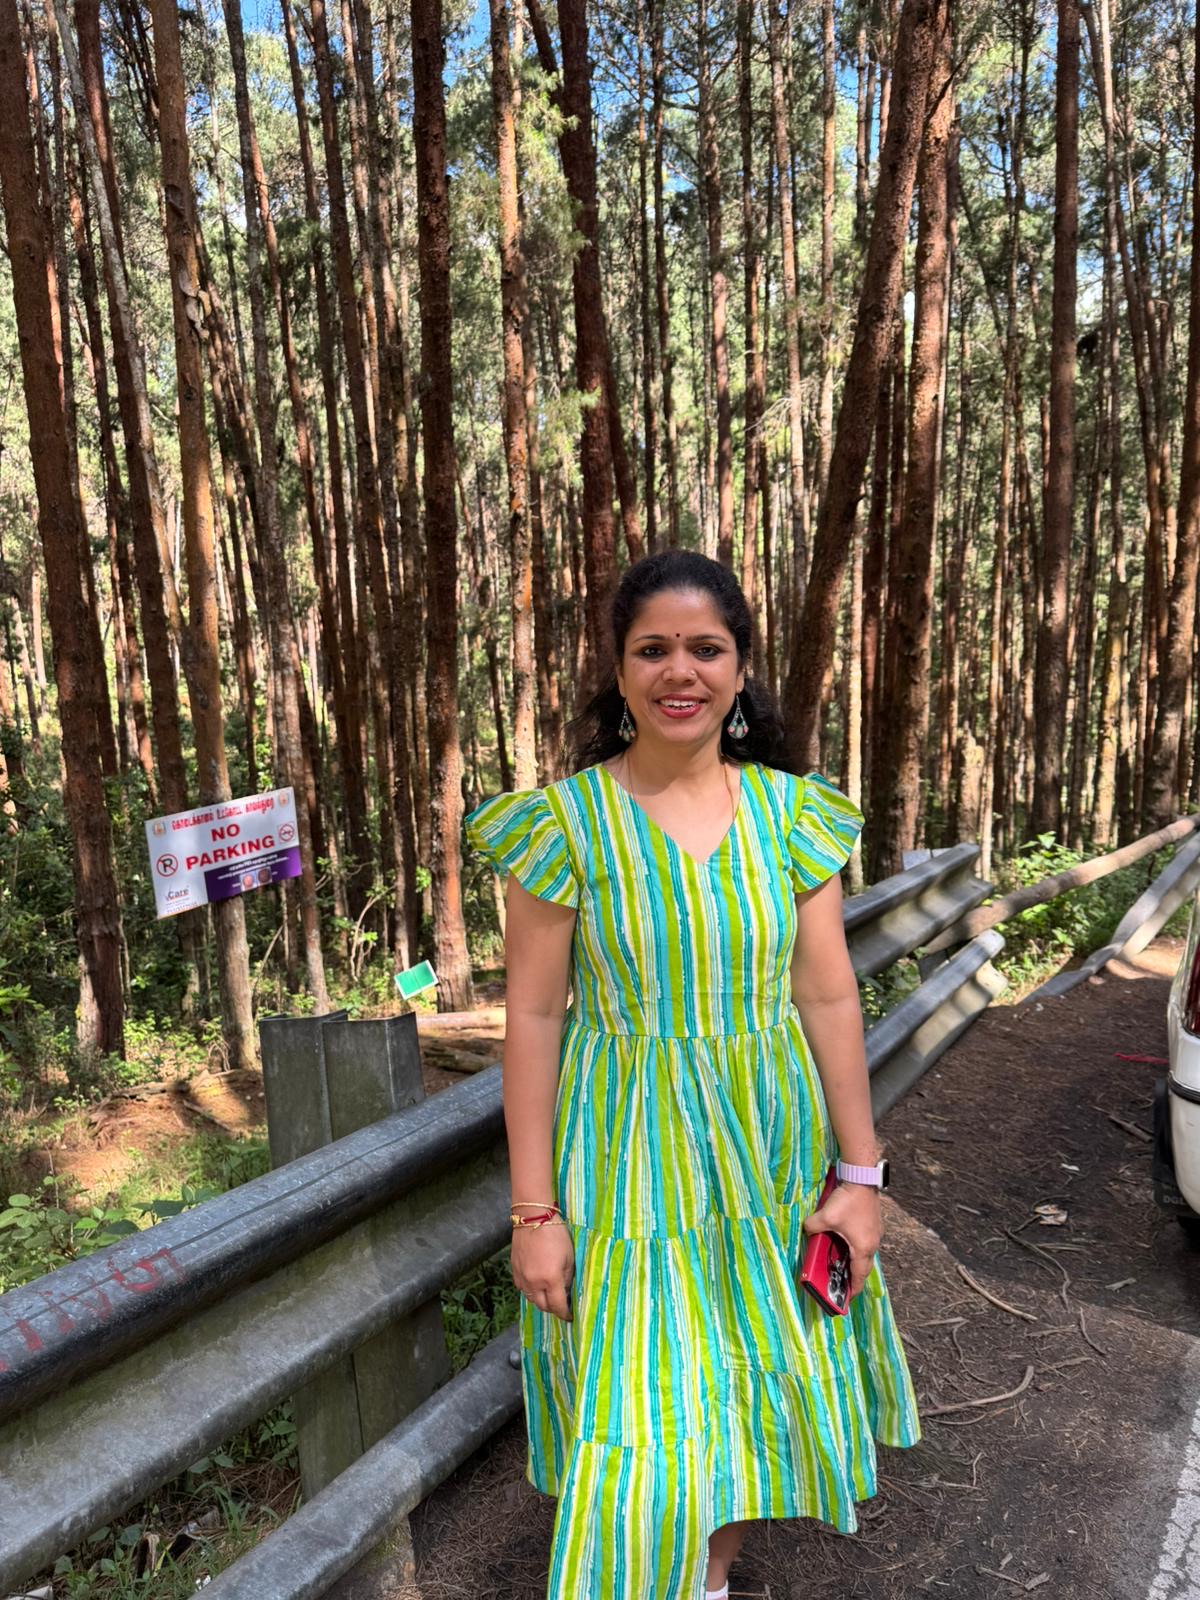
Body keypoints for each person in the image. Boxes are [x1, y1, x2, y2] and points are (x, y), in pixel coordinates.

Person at [464, 549, 920, 1600]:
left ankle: (710, 1583)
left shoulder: (792, 817)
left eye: (706, 648)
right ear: (619, 672)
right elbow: (532, 1019)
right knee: (642, 1416)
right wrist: (534, 1212)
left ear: (741, 667)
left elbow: (828, 998)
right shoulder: (563, 826)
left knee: (747, 1400)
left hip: (769, 1154)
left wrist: (861, 1175)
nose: (682, 671)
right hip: (626, 1164)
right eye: (653, 649)